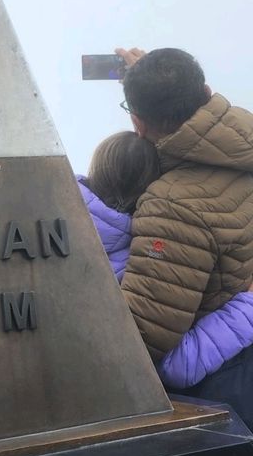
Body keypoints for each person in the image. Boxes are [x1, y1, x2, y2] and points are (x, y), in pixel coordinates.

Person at [115, 47, 253, 426]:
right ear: (206, 93)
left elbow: (143, 337)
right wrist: (154, 75)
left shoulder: (172, 206)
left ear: (138, 124)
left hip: (224, 387)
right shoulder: (244, 142)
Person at [79, 131, 253, 390]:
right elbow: (175, 367)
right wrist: (247, 308)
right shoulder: (142, 259)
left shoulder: (43, 225)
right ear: (152, 186)